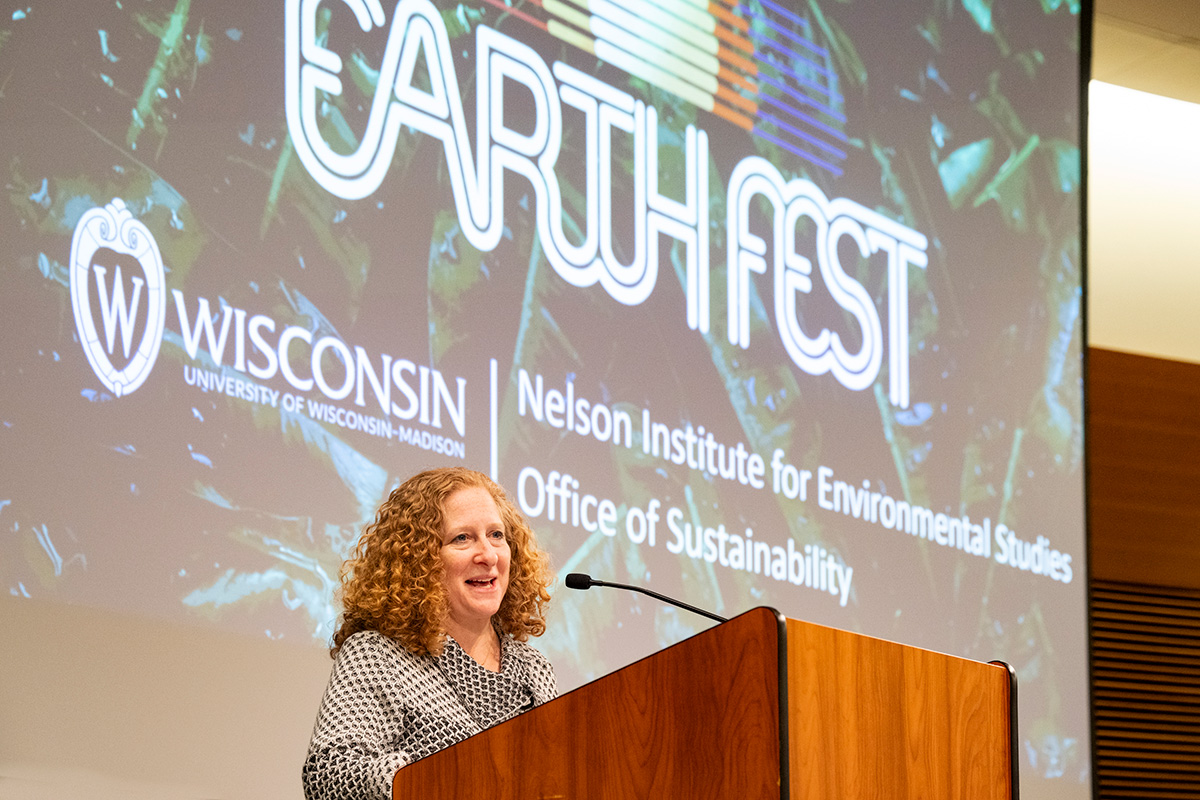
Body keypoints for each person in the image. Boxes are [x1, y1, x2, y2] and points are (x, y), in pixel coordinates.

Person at [302, 467, 556, 800]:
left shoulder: (533, 668)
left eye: (496, 535)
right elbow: (329, 772)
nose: (489, 555)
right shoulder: (378, 655)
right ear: (418, 559)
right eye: (462, 538)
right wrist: (424, 779)